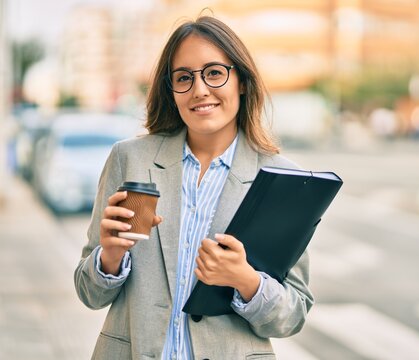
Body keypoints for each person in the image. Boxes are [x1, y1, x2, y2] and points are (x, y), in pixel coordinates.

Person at [74, 15, 313, 360]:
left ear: (241, 82)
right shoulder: (131, 159)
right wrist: (109, 258)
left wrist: (246, 281)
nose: (200, 89)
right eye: (184, 78)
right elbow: (89, 293)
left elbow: (293, 315)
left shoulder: (281, 179)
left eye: (214, 73)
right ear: (171, 91)